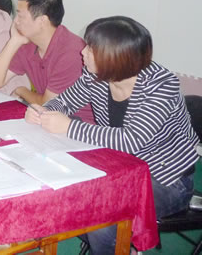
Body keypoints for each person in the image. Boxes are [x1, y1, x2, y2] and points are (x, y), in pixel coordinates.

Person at [25, 16, 199, 255]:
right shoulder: (96, 75)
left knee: (102, 222)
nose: (83, 52)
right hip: (119, 166)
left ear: (114, 57)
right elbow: (64, 102)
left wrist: (68, 127)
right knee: (63, 196)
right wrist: (42, 111)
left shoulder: (162, 85)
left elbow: (132, 140)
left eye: (91, 48)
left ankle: (118, 244)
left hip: (165, 178)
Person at [0, 0, 93, 122]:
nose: (15, 21)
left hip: (77, 124)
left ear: (42, 21)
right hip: (45, 118)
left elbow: (48, 105)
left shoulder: (71, 51)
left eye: (20, 16)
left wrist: (21, 90)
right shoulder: (28, 42)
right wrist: (13, 41)